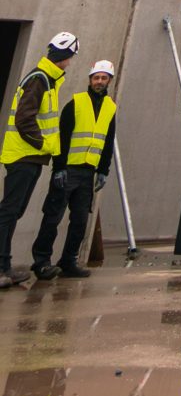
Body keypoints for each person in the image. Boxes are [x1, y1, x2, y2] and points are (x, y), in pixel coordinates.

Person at [0, 32, 79, 290]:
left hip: (30, 157)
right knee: (10, 211)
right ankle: (1, 267)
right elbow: (25, 119)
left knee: (14, 212)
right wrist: (44, 145)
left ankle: (4, 266)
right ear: (66, 57)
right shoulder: (40, 80)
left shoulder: (47, 79)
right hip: (24, 155)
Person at [31, 58, 117, 281]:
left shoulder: (110, 108)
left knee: (79, 220)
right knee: (53, 217)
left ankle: (68, 261)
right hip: (68, 169)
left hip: (88, 173)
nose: (99, 81)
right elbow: (63, 136)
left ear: (109, 81)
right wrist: (59, 168)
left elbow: (108, 141)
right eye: (96, 77)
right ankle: (41, 261)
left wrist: (104, 170)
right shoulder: (76, 103)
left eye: (103, 78)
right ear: (90, 79)